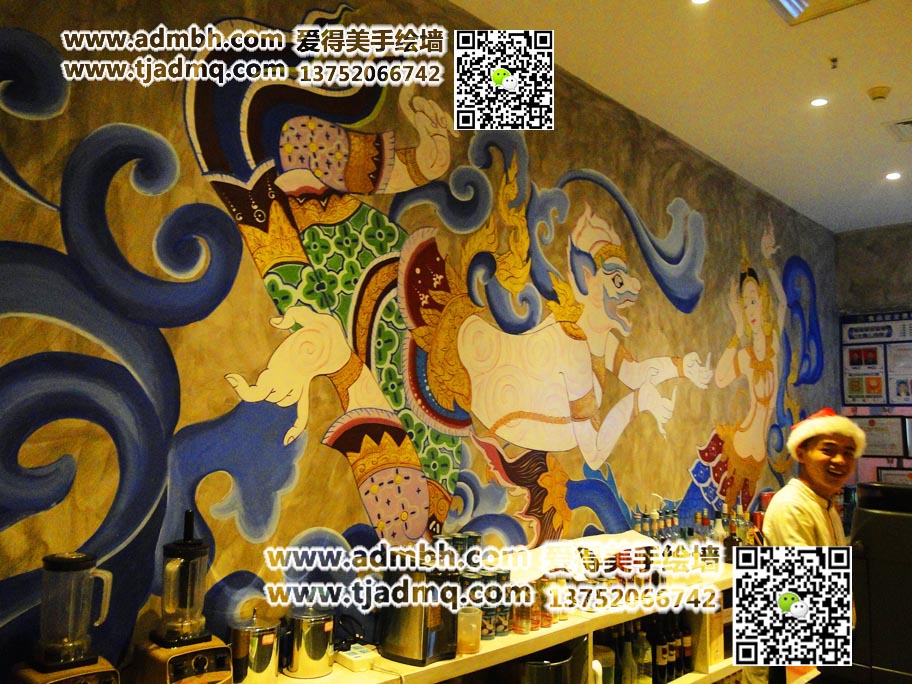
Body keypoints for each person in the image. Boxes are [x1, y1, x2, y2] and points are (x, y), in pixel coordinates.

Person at [746, 408, 865, 684]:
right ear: (801, 453)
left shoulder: (825, 503)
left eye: (848, 452)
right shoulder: (792, 505)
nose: (840, 460)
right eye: (828, 450)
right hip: (792, 656)